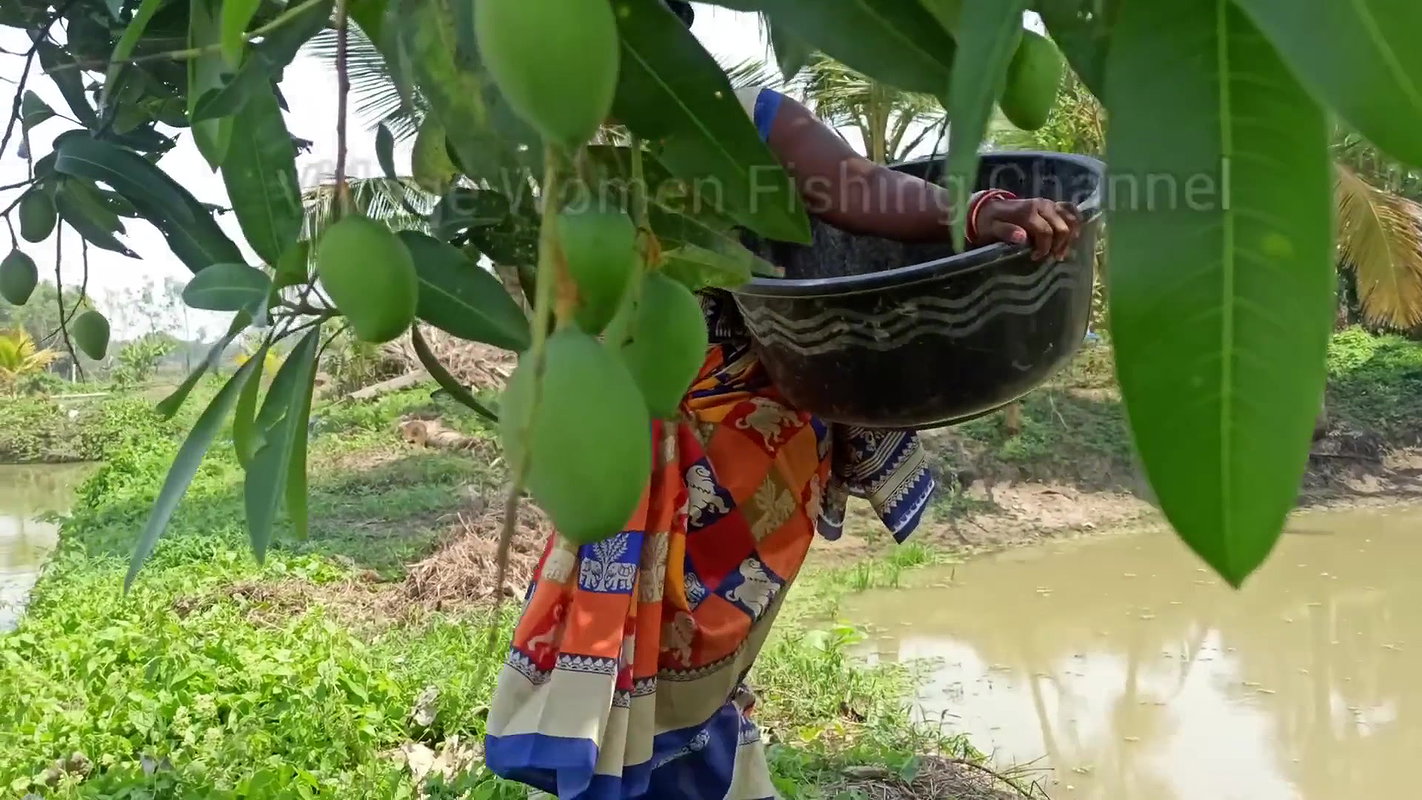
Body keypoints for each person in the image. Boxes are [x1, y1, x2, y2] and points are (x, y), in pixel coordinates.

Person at [484, 4, 1083, 798]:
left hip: (747, 453)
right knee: (641, 656)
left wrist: (977, 211)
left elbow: (860, 190)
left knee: (695, 662)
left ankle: (706, 773)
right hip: (628, 441)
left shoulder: (738, 123)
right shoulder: (554, 153)